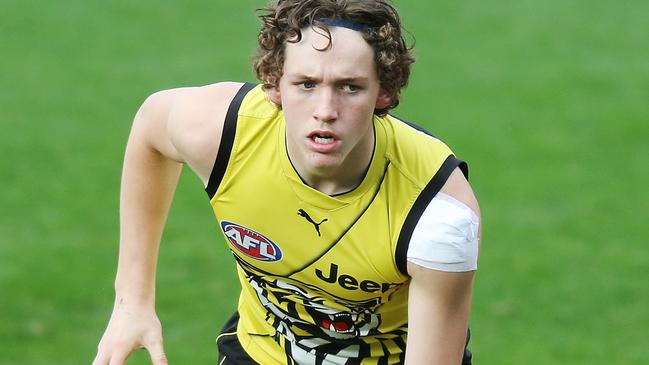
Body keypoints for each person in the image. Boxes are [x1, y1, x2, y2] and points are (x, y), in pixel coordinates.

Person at [93, 0, 481, 364]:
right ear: (274, 85)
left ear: (385, 91)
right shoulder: (222, 134)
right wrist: (132, 302)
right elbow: (150, 126)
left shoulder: (437, 217)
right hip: (260, 351)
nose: (325, 111)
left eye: (350, 87)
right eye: (306, 84)